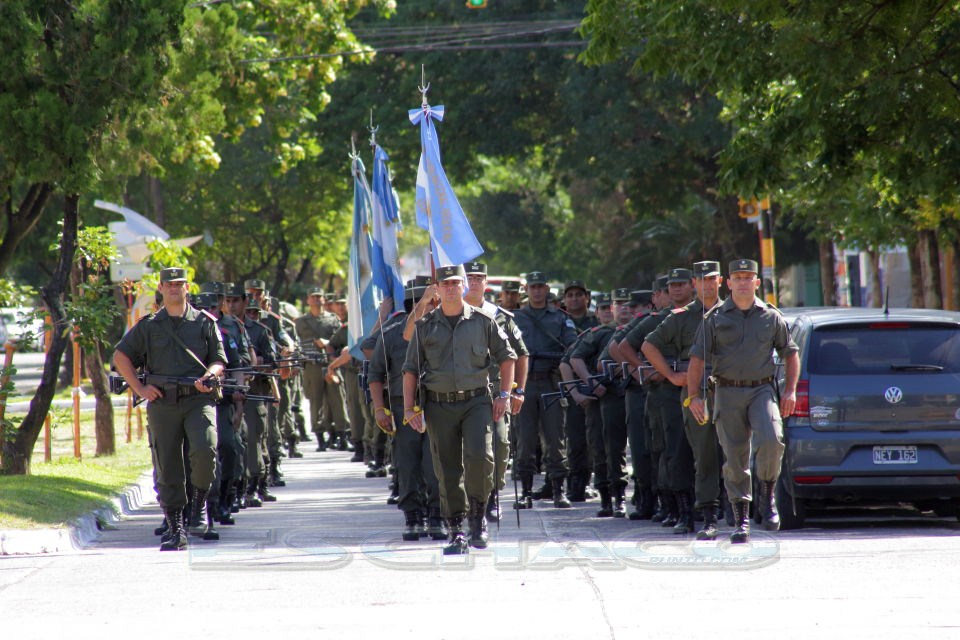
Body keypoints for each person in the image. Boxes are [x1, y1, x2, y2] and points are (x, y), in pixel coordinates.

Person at [402, 264, 517, 555]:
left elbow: (508, 357)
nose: (451, 288)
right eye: (446, 284)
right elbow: (410, 369)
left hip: (476, 402)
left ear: (462, 286)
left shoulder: (483, 321)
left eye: (456, 283)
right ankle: (456, 530)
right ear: (437, 290)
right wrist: (408, 408)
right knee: (447, 469)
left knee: (480, 457)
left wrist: (505, 395)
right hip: (439, 405)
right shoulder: (425, 326)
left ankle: (478, 520)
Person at [112, 267, 226, 551]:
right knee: (167, 466)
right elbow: (120, 356)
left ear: (187, 287)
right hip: (163, 402)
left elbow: (219, 360)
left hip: (198, 399)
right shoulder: (149, 325)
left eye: (179, 284)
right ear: (161, 288)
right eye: (169, 284)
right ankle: (176, 529)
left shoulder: (204, 322)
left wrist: (210, 375)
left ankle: (198, 506)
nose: (174, 288)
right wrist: (140, 389)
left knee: (205, 450)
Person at [687, 259, 800, 544]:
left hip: (762, 389)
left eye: (748, 277)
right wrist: (694, 396)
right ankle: (741, 521)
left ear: (757, 283)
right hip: (727, 392)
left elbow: (790, 353)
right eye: (737, 278)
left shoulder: (771, 316)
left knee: (772, 439)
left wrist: (790, 391)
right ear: (728, 283)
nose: (742, 283)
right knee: (735, 459)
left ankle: (767, 495)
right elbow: (697, 360)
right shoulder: (714, 319)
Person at [641, 262, 724, 538]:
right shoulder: (681, 317)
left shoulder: (732, 312)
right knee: (683, 452)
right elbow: (648, 345)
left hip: (729, 390)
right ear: (694, 284)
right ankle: (687, 513)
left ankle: (730, 510)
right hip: (694, 391)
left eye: (711, 279)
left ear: (720, 281)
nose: (707, 284)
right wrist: (671, 375)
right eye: (702, 279)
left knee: (730, 453)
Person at [369, 279, 444, 542]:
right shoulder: (391, 333)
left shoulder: (445, 330)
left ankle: (437, 515)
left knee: (436, 465)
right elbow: (375, 374)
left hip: (437, 405)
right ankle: (413, 516)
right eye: (426, 302)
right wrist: (380, 409)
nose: (432, 307)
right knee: (408, 466)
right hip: (404, 408)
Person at [462, 261, 529, 523]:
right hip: (464, 393)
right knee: (469, 452)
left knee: (500, 446)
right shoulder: (452, 314)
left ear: (486, 282)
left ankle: (492, 497)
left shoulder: (500, 316)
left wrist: (518, 390)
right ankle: (469, 500)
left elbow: (521, 355)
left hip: (496, 393)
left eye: (479, 278)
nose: (474, 282)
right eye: (469, 277)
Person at [512, 270, 577, 508]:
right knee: (525, 440)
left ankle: (559, 490)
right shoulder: (515, 318)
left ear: (547, 289)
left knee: (555, 438)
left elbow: (572, 346)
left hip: (551, 381)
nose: (537, 291)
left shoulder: (559, 318)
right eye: (533, 287)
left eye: (541, 286)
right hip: (525, 384)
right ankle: (526, 492)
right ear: (526, 290)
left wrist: (559, 359)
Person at [294, 287, 348, 450]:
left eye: (319, 297)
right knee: (315, 402)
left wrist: (328, 345)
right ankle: (320, 439)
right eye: (313, 296)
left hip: (331, 364)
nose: (317, 299)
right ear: (308, 300)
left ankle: (342, 435)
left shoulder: (333, 319)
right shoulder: (301, 322)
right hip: (312, 366)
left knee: (337, 400)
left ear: (324, 300)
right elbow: (297, 344)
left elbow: (340, 341)